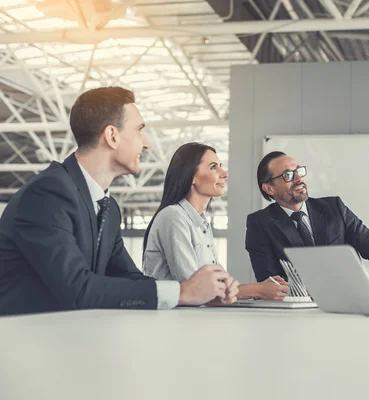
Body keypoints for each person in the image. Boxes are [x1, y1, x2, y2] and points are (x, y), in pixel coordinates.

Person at [0, 87, 238, 316]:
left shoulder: (108, 207)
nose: (146, 143)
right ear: (112, 135)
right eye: (139, 130)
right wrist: (183, 291)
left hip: (65, 338)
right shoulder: (47, 195)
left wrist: (202, 292)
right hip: (24, 343)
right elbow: (78, 289)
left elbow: (126, 275)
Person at [246, 151, 369, 286]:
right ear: (269, 188)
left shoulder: (334, 208)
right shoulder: (260, 223)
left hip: (348, 307)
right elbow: (269, 282)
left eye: (299, 171)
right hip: (297, 314)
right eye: (288, 175)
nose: (298, 178)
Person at [143, 143, 289, 301]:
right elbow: (197, 289)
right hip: (173, 321)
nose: (224, 173)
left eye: (221, 166)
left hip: (197, 319)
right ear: (191, 175)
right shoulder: (173, 218)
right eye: (214, 167)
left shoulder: (201, 223)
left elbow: (220, 285)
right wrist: (258, 289)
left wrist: (259, 288)